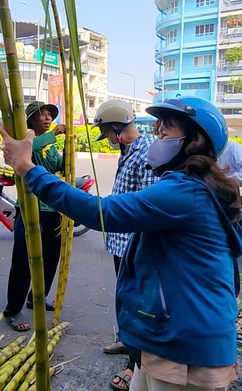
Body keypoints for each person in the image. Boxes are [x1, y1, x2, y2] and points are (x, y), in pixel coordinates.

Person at [0, 96, 242, 390]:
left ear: (193, 142)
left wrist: (27, 168)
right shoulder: (196, 186)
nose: (157, 141)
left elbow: (102, 212)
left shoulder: (185, 193)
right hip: (168, 335)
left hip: (185, 346)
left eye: (165, 133)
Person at [91, 99, 159, 391]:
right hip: (122, 241)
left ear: (117, 130)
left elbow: (145, 203)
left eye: (107, 133)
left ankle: (135, 365)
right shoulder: (129, 150)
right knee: (125, 296)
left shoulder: (146, 152)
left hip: (135, 241)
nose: (107, 140)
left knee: (137, 302)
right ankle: (126, 340)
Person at [3, 101, 66, 332]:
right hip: (30, 208)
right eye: (43, 115)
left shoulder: (49, 145)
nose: (48, 118)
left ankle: (36, 297)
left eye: (50, 115)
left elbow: (58, 165)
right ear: (31, 119)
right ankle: (12, 309)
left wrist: (67, 149)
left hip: (52, 208)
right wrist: (54, 134)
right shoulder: (26, 137)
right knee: (22, 261)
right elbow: (29, 149)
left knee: (51, 258)